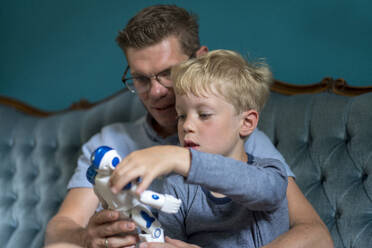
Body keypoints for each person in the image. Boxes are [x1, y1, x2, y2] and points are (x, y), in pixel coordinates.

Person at [45, 4, 333, 248]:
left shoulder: (240, 141)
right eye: (141, 79)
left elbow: (315, 233)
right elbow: (58, 231)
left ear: (199, 59)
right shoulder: (111, 141)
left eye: (167, 74)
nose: (155, 92)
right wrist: (87, 237)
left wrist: (179, 157)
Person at [110, 49, 290, 247]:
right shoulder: (177, 187)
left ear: (246, 122)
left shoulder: (271, 174)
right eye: (181, 116)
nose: (186, 126)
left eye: (204, 115)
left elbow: (255, 187)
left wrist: (180, 159)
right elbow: (170, 242)